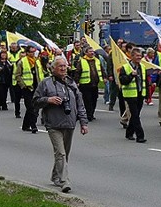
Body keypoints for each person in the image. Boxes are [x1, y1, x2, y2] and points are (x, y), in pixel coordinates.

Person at [33, 56, 89, 193]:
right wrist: (48, 99)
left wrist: (83, 122)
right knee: (61, 153)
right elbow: (35, 101)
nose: (63, 68)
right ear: (53, 69)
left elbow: (80, 104)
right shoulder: (45, 83)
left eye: (65, 66)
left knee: (64, 154)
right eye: (60, 66)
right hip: (53, 124)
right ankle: (65, 181)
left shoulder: (71, 83)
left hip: (69, 123)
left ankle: (56, 176)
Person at [118, 47, 147, 142]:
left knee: (136, 114)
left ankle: (129, 132)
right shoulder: (126, 67)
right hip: (130, 95)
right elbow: (122, 81)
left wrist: (147, 95)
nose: (139, 57)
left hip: (140, 93)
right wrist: (131, 75)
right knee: (135, 115)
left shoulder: (142, 67)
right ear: (132, 56)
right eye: (137, 56)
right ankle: (140, 136)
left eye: (140, 56)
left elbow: (145, 81)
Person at [14, 45, 44, 133]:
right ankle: (33, 125)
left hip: (36, 87)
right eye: (31, 52)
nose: (32, 53)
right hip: (27, 88)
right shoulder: (22, 62)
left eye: (33, 52)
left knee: (35, 106)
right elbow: (17, 75)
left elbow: (40, 73)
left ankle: (25, 125)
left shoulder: (37, 61)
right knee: (31, 107)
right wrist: (23, 85)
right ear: (27, 52)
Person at [73, 46, 104, 122]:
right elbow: (78, 72)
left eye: (92, 51)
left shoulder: (96, 60)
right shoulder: (82, 61)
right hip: (85, 84)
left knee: (94, 99)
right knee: (87, 100)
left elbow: (101, 69)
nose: (92, 52)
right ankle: (88, 115)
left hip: (95, 84)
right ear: (86, 53)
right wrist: (76, 82)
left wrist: (105, 77)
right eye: (90, 51)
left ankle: (91, 113)